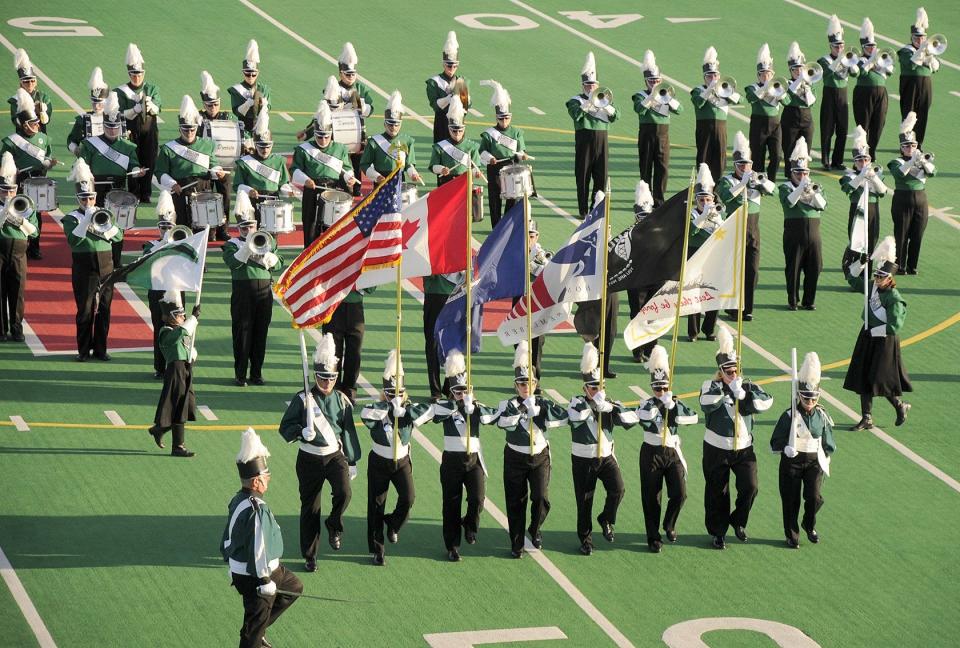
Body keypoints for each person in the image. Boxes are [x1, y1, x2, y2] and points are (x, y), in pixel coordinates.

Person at [278, 334, 362, 572]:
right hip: (308, 458)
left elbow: (348, 431)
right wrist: (300, 431)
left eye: (332, 378)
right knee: (310, 508)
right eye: (323, 378)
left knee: (344, 493)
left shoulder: (342, 400)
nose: (327, 382)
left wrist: (353, 460)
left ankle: (334, 525)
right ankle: (310, 555)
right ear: (315, 376)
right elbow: (284, 428)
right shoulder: (303, 399)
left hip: (335, 456)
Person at [222, 428, 303, 648]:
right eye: (265, 477)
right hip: (258, 575)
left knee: (293, 586)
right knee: (252, 632)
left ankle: (261, 629)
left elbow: (227, 537)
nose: (269, 480)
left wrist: (229, 562)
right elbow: (258, 548)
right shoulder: (257, 508)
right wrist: (264, 581)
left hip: (255, 571)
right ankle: (257, 634)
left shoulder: (238, 499)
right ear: (256, 482)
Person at [700, 327, 773, 549]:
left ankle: (738, 521)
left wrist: (745, 394)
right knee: (717, 492)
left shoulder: (748, 385)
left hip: (743, 448)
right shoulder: (710, 386)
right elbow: (706, 403)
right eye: (728, 372)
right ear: (720, 372)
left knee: (750, 486)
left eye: (735, 371)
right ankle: (718, 532)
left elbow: (766, 402)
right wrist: (727, 392)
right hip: (717, 448)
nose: (733, 375)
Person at [360, 350, 433, 566]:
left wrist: (404, 411)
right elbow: (365, 415)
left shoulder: (408, 409)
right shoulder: (377, 408)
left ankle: (392, 524)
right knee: (376, 505)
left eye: (399, 392)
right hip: (379, 462)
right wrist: (389, 408)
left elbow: (428, 412)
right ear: (384, 392)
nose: (395, 396)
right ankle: (377, 549)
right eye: (391, 393)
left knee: (408, 498)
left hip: (401, 462)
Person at [497, 342, 567, 558]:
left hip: (540, 457)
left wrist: (539, 412)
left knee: (540, 497)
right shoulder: (508, 404)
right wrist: (522, 411)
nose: (525, 387)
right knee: (515, 501)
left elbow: (564, 418)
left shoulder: (543, 403)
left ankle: (535, 529)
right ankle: (517, 543)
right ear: (515, 385)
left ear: (535, 384)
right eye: (521, 383)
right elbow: (503, 422)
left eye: (529, 383)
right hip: (515, 457)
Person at [566, 343, 635, 555]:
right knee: (585, 500)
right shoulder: (576, 402)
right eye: (593, 387)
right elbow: (575, 418)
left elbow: (631, 420)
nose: (597, 391)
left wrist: (611, 407)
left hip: (605, 456)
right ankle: (586, 539)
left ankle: (606, 518)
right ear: (585, 388)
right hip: (584, 458)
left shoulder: (609, 402)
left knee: (618, 489)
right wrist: (593, 406)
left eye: (599, 387)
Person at [430, 351, 499, 561]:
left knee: (477, 497)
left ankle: (470, 524)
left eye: (465, 390)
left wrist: (474, 406)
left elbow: (492, 417)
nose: (462, 394)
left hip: (473, 460)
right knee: (451, 503)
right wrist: (457, 406)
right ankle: (452, 545)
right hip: (452, 460)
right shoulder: (446, 406)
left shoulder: (475, 407)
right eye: (458, 391)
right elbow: (435, 415)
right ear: (451, 392)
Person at [843, 236, 912, 430]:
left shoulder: (894, 298)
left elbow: (894, 326)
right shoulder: (871, 286)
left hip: (884, 340)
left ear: (889, 278)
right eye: (876, 275)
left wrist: (874, 331)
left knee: (880, 379)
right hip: (867, 335)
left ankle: (900, 405)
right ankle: (867, 417)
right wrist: (860, 264)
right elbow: (851, 280)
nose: (877, 279)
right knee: (863, 376)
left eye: (881, 276)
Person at [770, 351, 836, 549]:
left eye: (813, 399)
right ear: (799, 396)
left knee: (814, 497)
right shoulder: (788, 415)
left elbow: (828, 442)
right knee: (790, 501)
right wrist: (785, 448)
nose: (810, 402)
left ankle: (809, 524)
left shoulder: (822, 416)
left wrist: (827, 456)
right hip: (792, 460)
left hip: (814, 461)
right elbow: (775, 441)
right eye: (806, 398)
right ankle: (792, 535)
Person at [637, 346, 698, 552]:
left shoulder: (675, 402)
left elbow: (692, 417)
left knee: (680, 493)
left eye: (664, 388)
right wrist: (660, 405)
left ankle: (669, 523)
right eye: (657, 388)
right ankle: (653, 538)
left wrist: (672, 406)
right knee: (652, 498)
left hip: (671, 452)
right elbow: (644, 418)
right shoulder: (645, 404)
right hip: (652, 452)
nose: (661, 392)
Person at [61, 158, 122, 362]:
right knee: (85, 309)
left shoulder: (105, 214)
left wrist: (102, 223)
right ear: (78, 198)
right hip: (84, 265)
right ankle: (83, 350)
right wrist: (87, 219)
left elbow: (118, 236)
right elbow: (74, 240)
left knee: (105, 308)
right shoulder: (71, 218)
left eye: (91, 198)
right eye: (84, 198)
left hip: (106, 264)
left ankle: (101, 349)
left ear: (96, 197)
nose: (88, 202)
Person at [223, 191, 284, 387]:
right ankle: (240, 374)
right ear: (238, 228)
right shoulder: (231, 244)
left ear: (256, 225)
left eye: (250, 226)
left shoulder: (268, 240)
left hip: (264, 291)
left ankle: (256, 373)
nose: (248, 230)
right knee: (242, 333)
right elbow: (234, 263)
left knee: (260, 333)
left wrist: (264, 254)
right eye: (243, 227)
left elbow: (278, 263)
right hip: (242, 292)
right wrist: (249, 246)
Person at [297, 44, 375, 197]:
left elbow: (370, 110)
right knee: (338, 162)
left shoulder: (361, 89)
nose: (351, 76)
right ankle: (340, 187)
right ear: (340, 73)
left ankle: (356, 188)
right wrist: (307, 132)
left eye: (353, 73)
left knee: (356, 161)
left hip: (356, 133)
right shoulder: (332, 88)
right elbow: (322, 114)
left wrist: (361, 106)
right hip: (336, 133)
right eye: (347, 74)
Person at [79, 91, 145, 267]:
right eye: (109, 127)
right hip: (97, 190)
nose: (112, 130)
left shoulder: (128, 146)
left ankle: (115, 261)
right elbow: (82, 166)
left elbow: (133, 164)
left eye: (115, 127)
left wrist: (137, 170)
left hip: (118, 190)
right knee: (95, 224)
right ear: (104, 125)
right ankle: (95, 259)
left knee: (117, 226)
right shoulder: (90, 144)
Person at [718, 132, 776, 323]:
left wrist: (760, 182)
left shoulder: (756, 178)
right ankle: (733, 308)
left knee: (752, 270)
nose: (745, 168)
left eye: (748, 165)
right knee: (733, 270)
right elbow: (726, 197)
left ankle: (747, 309)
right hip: (734, 227)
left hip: (753, 229)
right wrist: (742, 183)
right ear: (735, 166)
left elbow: (772, 191)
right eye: (741, 165)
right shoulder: (727, 180)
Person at [153, 95, 226, 228]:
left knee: (205, 229)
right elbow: (160, 172)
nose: (189, 132)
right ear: (180, 129)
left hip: (204, 189)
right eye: (186, 129)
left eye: (192, 129)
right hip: (181, 189)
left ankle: (222, 230)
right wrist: (172, 184)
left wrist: (217, 171)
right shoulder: (168, 149)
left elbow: (213, 164)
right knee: (183, 226)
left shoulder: (207, 144)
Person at [291, 101, 357, 246]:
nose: (323, 140)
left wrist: (349, 177)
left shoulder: (340, 148)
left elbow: (346, 168)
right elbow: (294, 170)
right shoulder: (303, 149)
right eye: (320, 136)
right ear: (314, 133)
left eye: (326, 136)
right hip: (312, 188)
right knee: (310, 225)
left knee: (333, 227)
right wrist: (305, 180)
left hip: (334, 189)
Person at [2, 88, 55, 260]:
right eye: (33, 123)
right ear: (24, 125)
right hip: (18, 181)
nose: (37, 125)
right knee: (16, 212)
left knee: (36, 214)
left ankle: (34, 246)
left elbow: (47, 157)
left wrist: (48, 164)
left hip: (37, 180)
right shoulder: (10, 141)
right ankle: (18, 243)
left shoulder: (44, 139)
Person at [147, 290, 200, 457]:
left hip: (185, 368)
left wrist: (192, 354)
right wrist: (192, 319)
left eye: (183, 315)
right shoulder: (165, 331)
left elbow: (185, 344)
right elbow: (176, 337)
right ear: (170, 316)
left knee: (187, 404)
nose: (183, 317)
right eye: (179, 315)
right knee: (178, 405)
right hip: (175, 369)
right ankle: (178, 445)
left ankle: (160, 428)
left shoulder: (181, 330)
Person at [567, 52, 618, 219]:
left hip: (602, 138)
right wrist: (589, 103)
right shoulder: (576, 100)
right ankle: (583, 210)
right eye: (588, 85)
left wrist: (606, 106)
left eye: (593, 85)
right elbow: (576, 115)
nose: (591, 88)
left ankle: (597, 206)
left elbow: (616, 116)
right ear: (583, 85)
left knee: (601, 174)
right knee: (583, 175)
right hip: (584, 139)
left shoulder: (605, 99)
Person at [778, 137, 826, 311]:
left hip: (814, 233)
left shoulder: (816, 187)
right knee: (793, 268)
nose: (802, 176)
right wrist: (801, 188)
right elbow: (790, 202)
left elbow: (822, 205)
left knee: (815, 266)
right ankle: (793, 300)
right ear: (792, 172)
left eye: (804, 173)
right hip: (793, 232)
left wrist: (811, 192)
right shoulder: (785, 187)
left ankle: (809, 300)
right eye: (798, 173)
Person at [887, 111, 935, 275]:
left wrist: (922, 162)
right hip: (902, 199)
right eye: (907, 146)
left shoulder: (921, 159)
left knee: (918, 233)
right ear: (901, 148)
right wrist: (913, 161)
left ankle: (912, 265)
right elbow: (900, 173)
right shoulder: (896, 162)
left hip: (921, 199)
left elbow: (933, 172)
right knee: (901, 234)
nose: (910, 148)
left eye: (913, 146)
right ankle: (899, 265)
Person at [632, 50, 682, 207]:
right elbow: (639, 109)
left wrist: (668, 99)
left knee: (662, 168)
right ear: (646, 81)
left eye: (657, 80)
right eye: (651, 81)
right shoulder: (640, 95)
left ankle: (659, 200)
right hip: (647, 134)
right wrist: (652, 96)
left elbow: (680, 110)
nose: (654, 83)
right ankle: (645, 198)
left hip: (663, 134)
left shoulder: (666, 94)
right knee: (645, 168)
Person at [478, 80, 530, 227]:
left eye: (507, 118)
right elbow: (482, 151)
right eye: (501, 118)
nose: (504, 121)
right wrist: (490, 158)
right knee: (495, 199)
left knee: (512, 198)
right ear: (496, 118)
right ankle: (495, 226)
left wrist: (522, 155)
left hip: (512, 167)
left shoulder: (517, 132)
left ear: (510, 117)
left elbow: (521, 150)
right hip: (495, 168)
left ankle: (507, 225)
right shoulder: (489, 134)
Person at [115, 43, 160, 204]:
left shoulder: (151, 88)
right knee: (132, 160)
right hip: (130, 130)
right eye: (133, 73)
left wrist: (149, 104)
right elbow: (119, 113)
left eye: (139, 73)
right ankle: (133, 191)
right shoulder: (120, 91)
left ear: (143, 73)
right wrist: (135, 109)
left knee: (149, 160)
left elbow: (157, 108)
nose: (136, 76)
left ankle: (146, 192)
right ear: (129, 73)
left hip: (149, 130)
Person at [0, 152, 38, 342]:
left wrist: (16, 218)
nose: (8, 194)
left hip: (18, 253)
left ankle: (16, 329)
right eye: (4, 190)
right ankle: (1, 330)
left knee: (18, 292)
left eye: (11, 190)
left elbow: (34, 232)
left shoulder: (26, 206)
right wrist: (3, 213)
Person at [233, 110, 292, 225]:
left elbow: (283, 183)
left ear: (272, 145)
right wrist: (249, 190)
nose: (265, 150)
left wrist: (287, 191)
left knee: (272, 232)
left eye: (268, 146)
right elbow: (237, 185)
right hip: (253, 201)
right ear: (255, 145)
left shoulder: (278, 161)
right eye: (261, 147)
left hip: (273, 201)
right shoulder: (245, 163)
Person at [687, 164, 725, 339]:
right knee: (693, 293)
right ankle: (693, 331)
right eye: (701, 200)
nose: (705, 203)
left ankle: (709, 329)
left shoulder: (717, 215)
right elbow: (691, 231)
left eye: (708, 200)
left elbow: (724, 234)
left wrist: (717, 219)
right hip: (694, 254)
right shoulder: (691, 214)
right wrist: (704, 216)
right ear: (696, 201)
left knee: (713, 293)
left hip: (713, 255)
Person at [691, 46, 740, 181]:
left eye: (715, 75)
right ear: (704, 77)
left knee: (720, 158)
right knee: (703, 158)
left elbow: (739, 99)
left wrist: (727, 92)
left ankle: (717, 188)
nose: (713, 78)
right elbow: (698, 102)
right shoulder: (698, 90)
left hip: (721, 127)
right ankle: (702, 186)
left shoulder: (724, 88)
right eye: (710, 76)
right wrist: (710, 89)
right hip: (704, 127)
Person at [144, 190, 179, 378]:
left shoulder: (182, 243)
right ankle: (159, 367)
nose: (166, 230)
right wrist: (164, 243)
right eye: (163, 227)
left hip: (176, 291)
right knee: (159, 328)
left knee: (176, 328)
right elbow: (149, 261)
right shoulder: (150, 244)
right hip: (157, 292)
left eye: (169, 227)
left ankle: (174, 364)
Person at [840, 125, 889, 256]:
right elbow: (849, 188)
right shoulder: (849, 177)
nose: (863, 163)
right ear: (855, 162)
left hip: (873, 209)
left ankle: (868, 270)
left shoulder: (876, 175)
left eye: (866, 160)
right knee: (856, 243)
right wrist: (862, 175)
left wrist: (872, 177)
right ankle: (856, 273)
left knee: (872, 242)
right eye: (860, 160)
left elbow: (883, 192)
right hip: (857, 209)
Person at [198, 70, 235, 242]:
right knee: (205, 197)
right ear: (204, 104)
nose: (213, 108)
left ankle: (222, 229)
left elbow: (239, 135)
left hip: (223, 164)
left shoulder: (228, 117)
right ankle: (208, 229)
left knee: (225, 197)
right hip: (204, 165)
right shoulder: (196, 119)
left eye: (215, 104)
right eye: (209, 105)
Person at [625, 181, 659, 363]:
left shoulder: (659, 233)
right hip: (636, 281)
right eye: (641, 216)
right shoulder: (629, 235)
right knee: (637, 315)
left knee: (653, 314)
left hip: (654, 279)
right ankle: (637, 350)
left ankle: (652, 348)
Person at [819, 15, 858, 171]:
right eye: (836, 46)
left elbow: (855, 73)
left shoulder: (847, 58)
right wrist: (840, 59)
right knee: (827, 129)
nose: (839, 49)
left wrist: (851, 63)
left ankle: (838, 160)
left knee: (842, 129)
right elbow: (827, 74)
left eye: (841, 46)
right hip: (829, 93)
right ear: (831, 46)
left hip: (843, 93)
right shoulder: (824, 60)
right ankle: (825, 160)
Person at [898, 8, 940, 149]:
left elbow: (936, 68)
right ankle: (905, 142)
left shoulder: (928, 51)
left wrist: (930, 56)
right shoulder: (905, 50)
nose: (920, 40)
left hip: (925, 85)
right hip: (910, 84)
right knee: (908, 112)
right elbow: (911, 65)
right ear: (912, 38)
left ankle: (918, 143)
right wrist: (921, 51)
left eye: (922, 38)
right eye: (917, 38)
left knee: (923, 113)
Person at [853, 19, 894, 161]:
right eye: (868, 46)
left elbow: (890, 71)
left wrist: (877, 63)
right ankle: (861, 153)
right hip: (864, 93)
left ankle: (872, 150)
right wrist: (871, 63)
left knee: (879, 123)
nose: (871, 49)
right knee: (863, 124)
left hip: (881, 93)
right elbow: (860, 72)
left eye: (873, 46)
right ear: (863, 47)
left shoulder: (881, 58)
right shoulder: (859, 59)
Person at [745, 44, 786, 181]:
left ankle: (771, 182)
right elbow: (751, 97)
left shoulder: (778, 87)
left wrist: (781, 94)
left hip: (775, 124)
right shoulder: (752, 87)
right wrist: (765, 88)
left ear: (772, 74)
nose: (765, 76)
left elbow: (788, 102)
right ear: (758, 75)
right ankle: (757, 182)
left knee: (776, 156)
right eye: (763, 74)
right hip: (759, 123)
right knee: (758, 156)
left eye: (768, 74)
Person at [426, 31, 471, 144]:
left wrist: (463, 98)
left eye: (455, 66)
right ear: (443, 64)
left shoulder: (462, 81)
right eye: (449, 65)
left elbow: (467, 107)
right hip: (442, 123)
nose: (452, 69)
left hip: (458, 123)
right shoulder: (434, 82)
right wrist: (448, 99)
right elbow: (435, 105)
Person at [781, 42, 817, 180]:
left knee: (805, 149)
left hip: (807, 119)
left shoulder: (809, 84)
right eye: (795, 69)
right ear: (790, 70)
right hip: (790, 118)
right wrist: (799, 83)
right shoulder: (786, 83)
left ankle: (803, 173)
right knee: (789, 148)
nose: (798, 72)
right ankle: (790, 175)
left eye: (801, 69)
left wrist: (806, 89)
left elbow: (811, 102)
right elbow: (787, 98)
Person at [229, 40, 270, 137]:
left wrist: (264, 106)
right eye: (247, 73)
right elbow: (237, 112)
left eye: (253, 73)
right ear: (243, 73)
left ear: (258, 73)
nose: (250, 76)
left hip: (261, 129)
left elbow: (268, 109)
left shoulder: (264, 89)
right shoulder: (236, 89)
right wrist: (247, 104)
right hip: (244, 130)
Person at [67, 67, 109, 156]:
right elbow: (71, 141)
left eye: (99, 103)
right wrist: (76, 149)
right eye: (94, 103)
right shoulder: (83, 119)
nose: (96, 106)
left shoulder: (113, 118)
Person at [8, 49, 51, 134]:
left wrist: (42, 112)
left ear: (36, 82)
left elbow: (46, 120)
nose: (30, 84)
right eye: (26, 81)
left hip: (41, 136)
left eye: (32, 81)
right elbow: (16, 121)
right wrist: (26, 112)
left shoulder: (43, 97)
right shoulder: (15, 99)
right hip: (22, 137)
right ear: (21, 83)